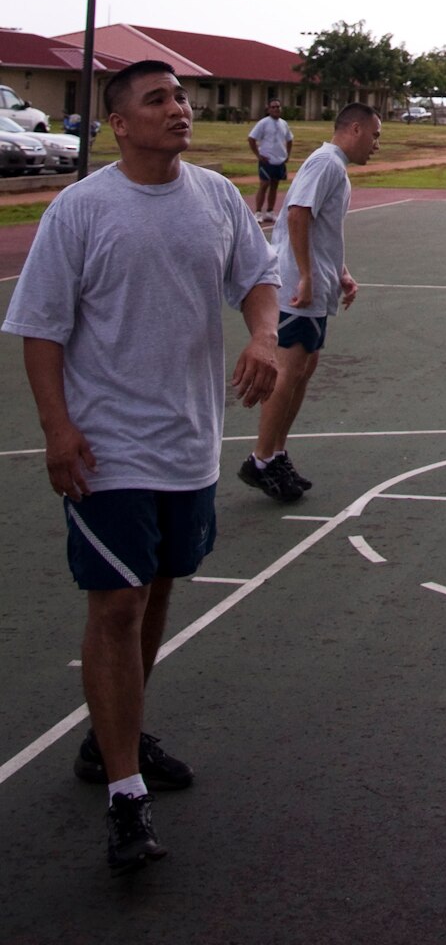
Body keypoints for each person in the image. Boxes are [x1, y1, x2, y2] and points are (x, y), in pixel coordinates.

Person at [2, 60, 278, 873]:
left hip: (189, 441)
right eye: (157, 99)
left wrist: (263, 335)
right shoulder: (83, 210)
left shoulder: (217, 197)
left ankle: (108, 738)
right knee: (116, 604)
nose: (179, 108)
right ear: (119, 122)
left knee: (156, 589)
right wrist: (57, 430)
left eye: (183, 96)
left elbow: (257, 279)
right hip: (108, 446)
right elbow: (42, 330)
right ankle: (126, 796)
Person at [237, 102, 380, 505]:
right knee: (289, 368)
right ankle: (261, 458)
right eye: (375, 135)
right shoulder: (326, 164)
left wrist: (340, 271)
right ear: (354, 129)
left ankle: (276, 452)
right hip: (296, 288)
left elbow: (321, 228)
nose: (376, 144)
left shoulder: (334, 167)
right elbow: (297, 215)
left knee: (304, 367)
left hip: (314, 284)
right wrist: (305, 274)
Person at [247, 95, 294, 224]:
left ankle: (270, 211)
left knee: (274, 186)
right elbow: (251, 139)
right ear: (268, 109)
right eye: (273, 107)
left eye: (278, 107)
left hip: (279, 160)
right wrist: (258, 155)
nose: (276, 109)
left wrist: (287, 155)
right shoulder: (263, 123)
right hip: (266, 160)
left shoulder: (284, 124)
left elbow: (290, 140)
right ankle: (257, 212)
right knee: (264, 185)